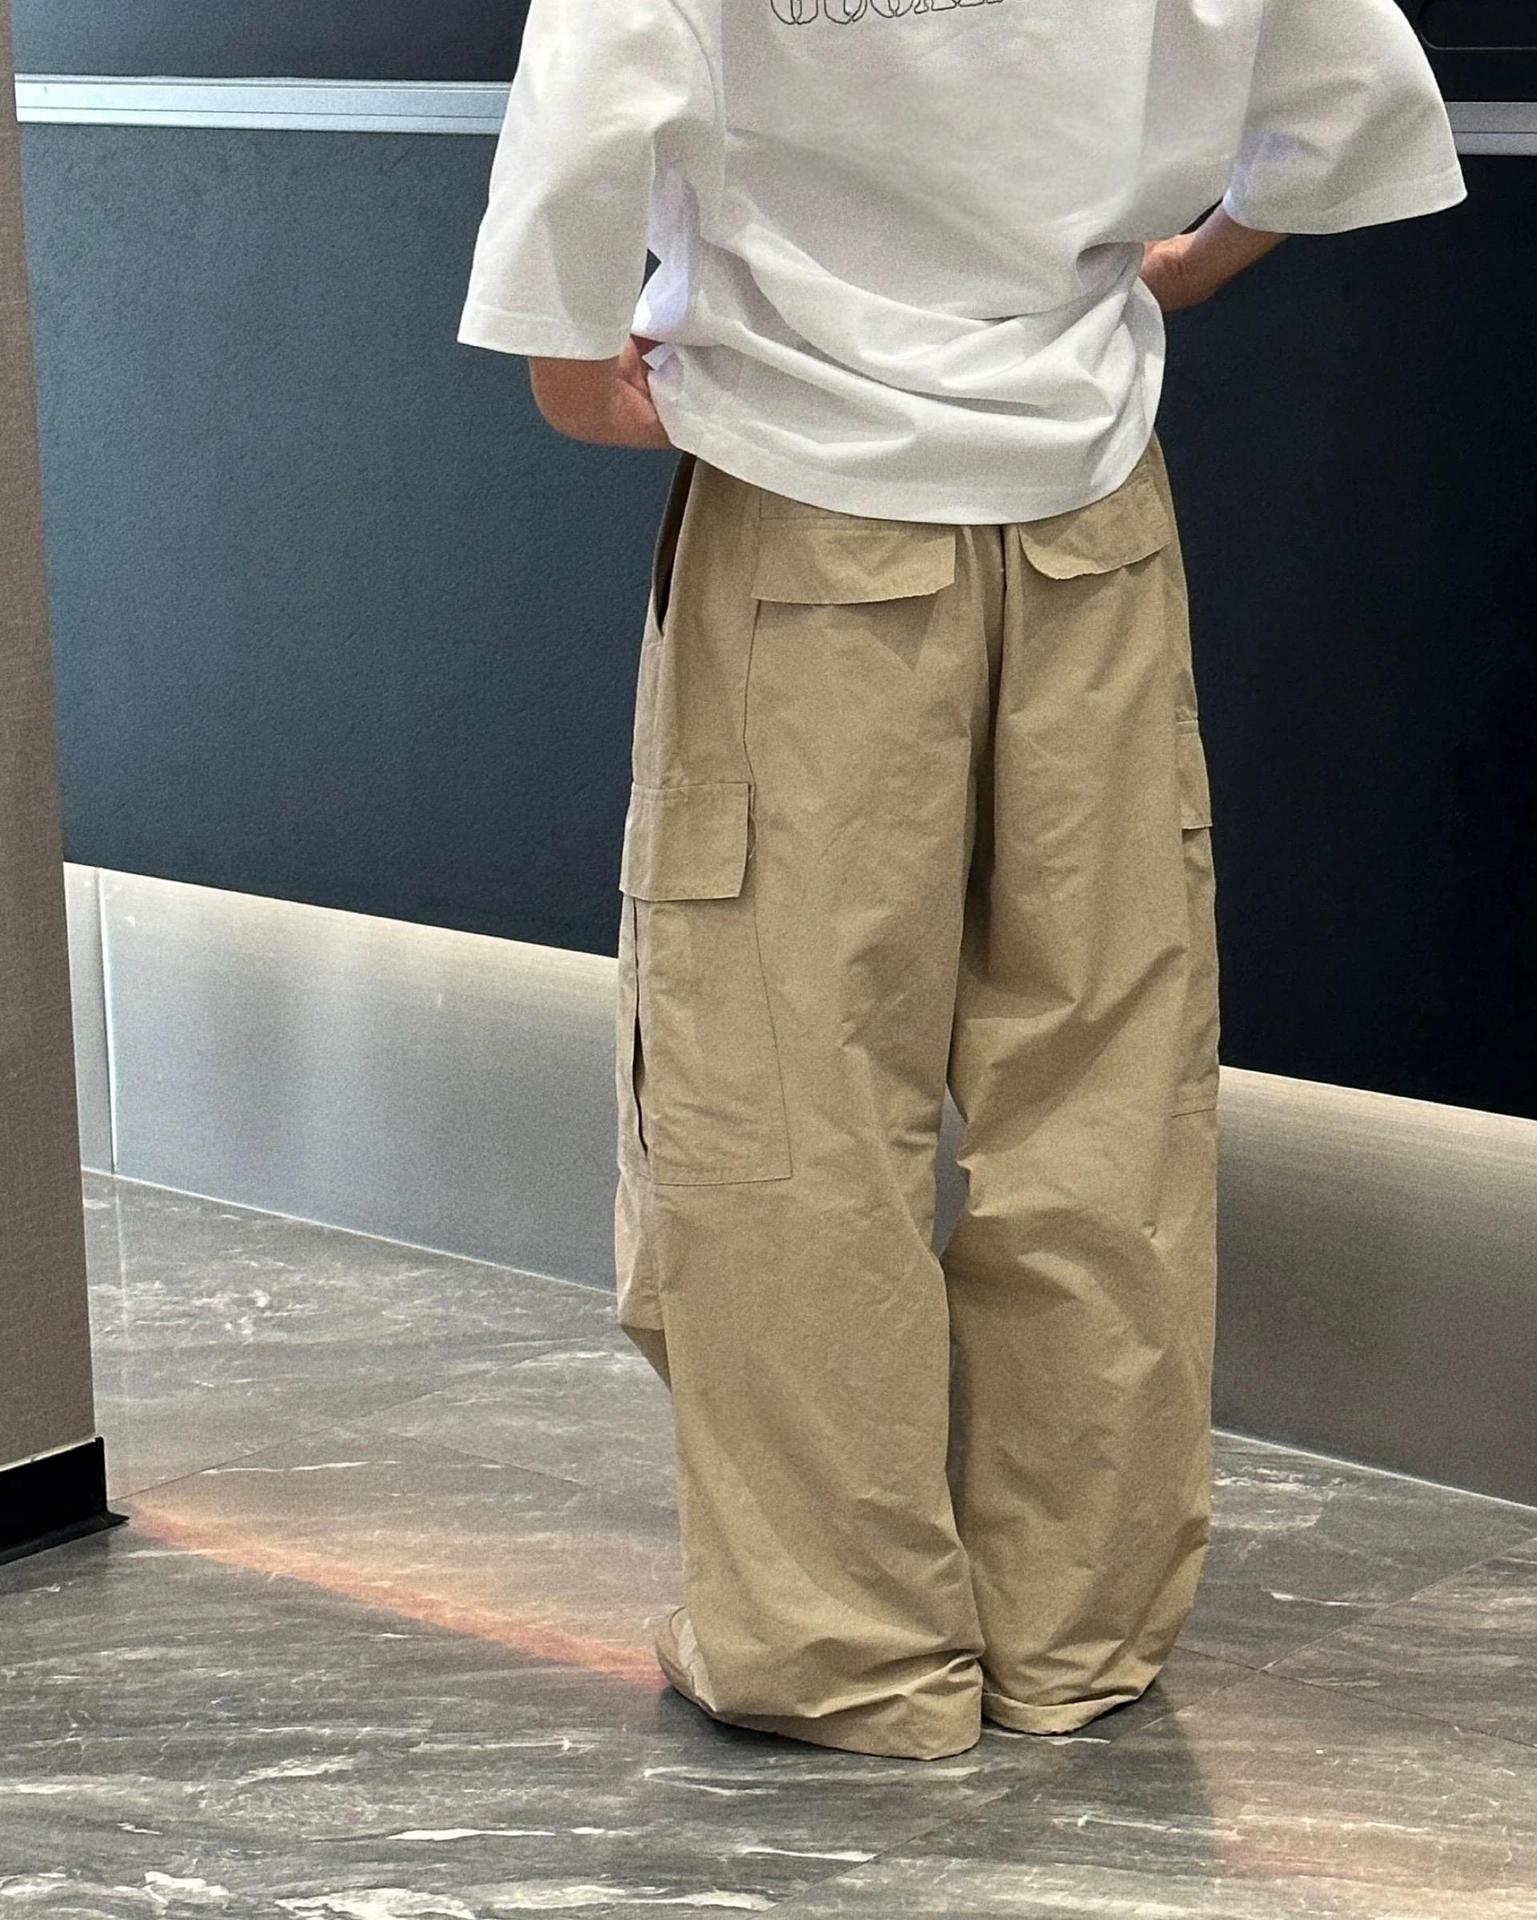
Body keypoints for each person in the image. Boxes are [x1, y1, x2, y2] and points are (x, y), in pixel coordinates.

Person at [456, 0, 1465, 1761]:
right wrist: (1189, 261)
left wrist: (569, 377)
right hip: (1091, 507)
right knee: (1101, 1085)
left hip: (805, 509)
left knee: (783, 1093)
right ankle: (1073, 1632)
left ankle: (842, 1650)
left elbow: (580, 140)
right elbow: (1351, 103)